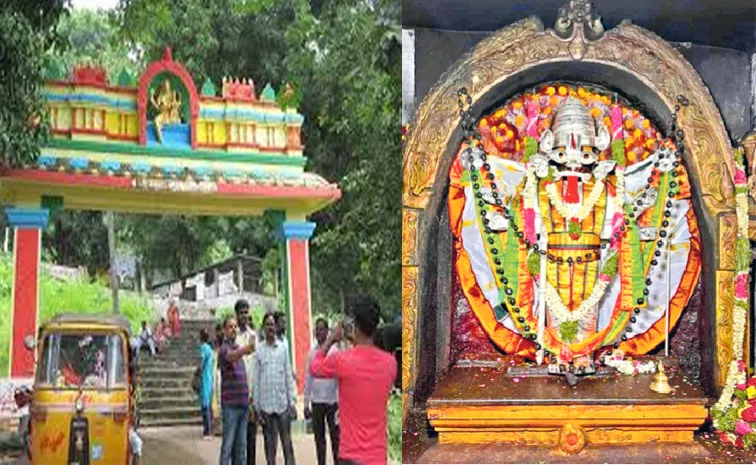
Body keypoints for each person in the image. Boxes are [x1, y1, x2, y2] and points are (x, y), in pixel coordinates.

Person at [310, 295, 397, 465]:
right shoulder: (390, 364)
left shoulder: (342, 361)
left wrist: (332, 339)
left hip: (350, 455)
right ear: (377, 324)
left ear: (355, 325)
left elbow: (314, 366)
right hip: (377, 457)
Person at [254, 313, 296, 465]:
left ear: (275, 327)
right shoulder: (258, 350)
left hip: (282, 405)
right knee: (270, 448)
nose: (270, 327)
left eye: (272, 324)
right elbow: (256, 381)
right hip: (266, 407)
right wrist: (257, 408)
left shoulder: (283, 349)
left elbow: (288, 376)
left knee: (287, 445)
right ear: (263, 328)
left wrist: (292, 402)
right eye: (267, 325)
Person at [219, 316, 254, 465]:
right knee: (228, 446)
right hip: (230, 406)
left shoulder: (237, 349)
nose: (234, 329)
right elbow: (230, 357)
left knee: (241, 448)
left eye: (235, 327)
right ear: (225, 330)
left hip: (243, 405)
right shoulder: (224, 349)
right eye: (230, 327)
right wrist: (245, 349)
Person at [305, 318, 339, 465]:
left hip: (333, 402)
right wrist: (306, 403)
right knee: (319, 440)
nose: (319, 332)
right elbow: (308, 378)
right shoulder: (312, 352)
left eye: (321, 329)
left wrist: (341, 401)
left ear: (327, 331)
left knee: (336, 439)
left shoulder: (335, 351)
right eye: (316, 329)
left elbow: (340, 378)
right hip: (317, 402)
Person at [234, 299, 258, 465]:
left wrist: (254, 395)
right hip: (236, 394)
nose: (244, 315)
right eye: (241, 312)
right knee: (237, 440)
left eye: (246, 312)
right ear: (236, 315)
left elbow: (255, 365)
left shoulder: (253, 337)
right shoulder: (232, 337)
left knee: (251, 437)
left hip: (251, 395)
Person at [198, 329, 214, 440]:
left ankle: (207, 430)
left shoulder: (203, 348)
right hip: (209, 377)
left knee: (205, 406)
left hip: (204, 378)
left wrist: (196, 372)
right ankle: (208, 429)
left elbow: (201, 364)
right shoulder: (210, 349)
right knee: (207, 404)